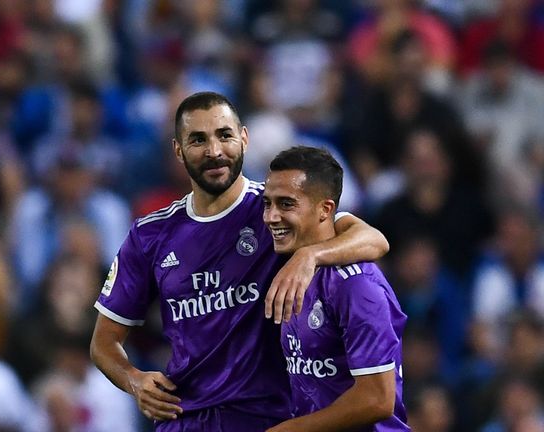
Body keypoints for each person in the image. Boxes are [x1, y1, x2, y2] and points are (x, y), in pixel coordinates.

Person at [90, 92, 389, 431]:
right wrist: (134, 380)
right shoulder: (150, 234)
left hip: (266, 419)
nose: (214, 151)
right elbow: (103, 342)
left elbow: (374, 239)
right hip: (182, 418)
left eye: (224, 135)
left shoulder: (276, 211)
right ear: (178, 150)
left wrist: (309, 255)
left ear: (243, 138)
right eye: (198, 140)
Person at [262, 146, 408, 431]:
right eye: (268, 204)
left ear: (325, 209)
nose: (271, 216)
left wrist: (292, 429)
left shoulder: (356, 286)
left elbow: (378, 399)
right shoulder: (295, 269)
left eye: (286, 204)